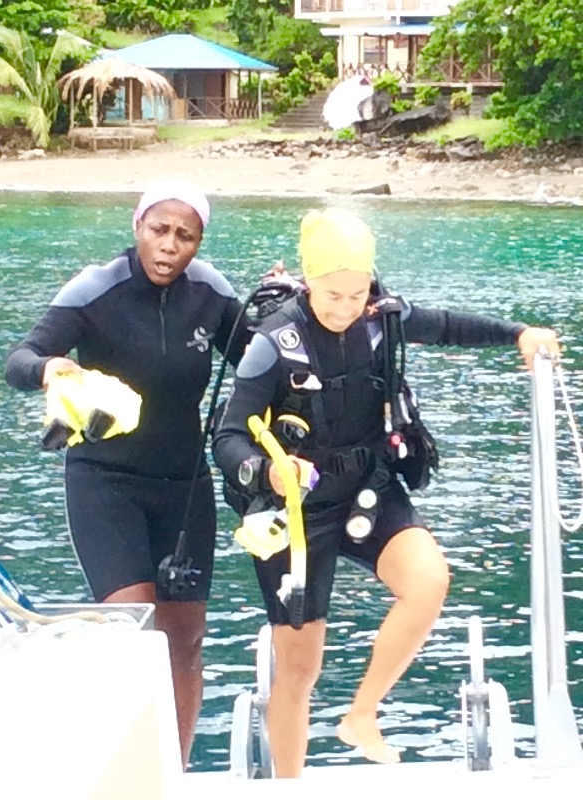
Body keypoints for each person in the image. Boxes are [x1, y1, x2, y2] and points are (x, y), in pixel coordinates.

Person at [212, 207, 560, 778]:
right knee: (298, 669)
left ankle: (362, 714)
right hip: (295, 510)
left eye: (357, 293)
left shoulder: (380, 318)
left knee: (428, 581)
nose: (347, 308)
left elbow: (448, 326)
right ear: (308, 280)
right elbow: (227, 436)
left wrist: (519, 334)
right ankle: (288, 786)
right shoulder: (274, 342)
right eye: (333, 295)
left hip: (368, 487)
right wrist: (266, 472)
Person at [4, 179, 250, 770]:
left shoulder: (210, 292)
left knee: (185, 641)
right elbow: (19, 358)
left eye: (185, 235)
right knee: (135, 634)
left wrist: (284, 307)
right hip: (104, 481)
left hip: (184, 483)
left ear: (198, 242)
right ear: (138, 227)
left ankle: (177, 772)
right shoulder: (97, 287)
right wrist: (50, 369)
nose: (170, 245)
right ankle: (135, 774)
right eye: (159, 230)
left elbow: (259, 355)